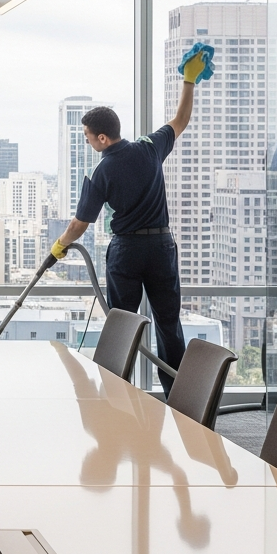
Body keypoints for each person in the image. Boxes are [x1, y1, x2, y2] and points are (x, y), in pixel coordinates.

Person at [48, 48, 212, 396]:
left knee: (123, 326)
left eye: (88, 137)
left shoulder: (102, 171)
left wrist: (60, 246)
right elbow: (181, 119)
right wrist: (189, 80)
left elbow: (80, 224)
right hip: (162, 247)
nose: (88, 141)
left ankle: (116, 395)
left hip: (128, 251)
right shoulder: (150, 147)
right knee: (169, 324)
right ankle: (179, 399)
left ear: (102, 138)